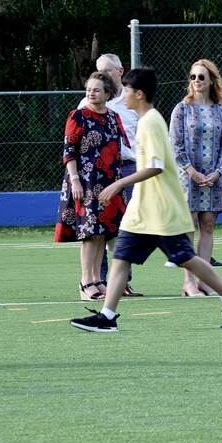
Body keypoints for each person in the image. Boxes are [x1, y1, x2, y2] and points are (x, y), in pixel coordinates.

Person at [69, 68, 222, 333]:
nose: (124, 95)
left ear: (139, 94)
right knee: (121, 258)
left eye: (127, 90)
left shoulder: (151, 122)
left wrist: (117, 185)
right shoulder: (144, 120)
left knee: (185, 257)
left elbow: (155, 166)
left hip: (160, 211)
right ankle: (107, 317)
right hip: (142, 212)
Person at [54, 72, 129, 300]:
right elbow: (69, 151)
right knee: (88, 233)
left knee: (101, 233)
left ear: (108, 94)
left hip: (108, 182)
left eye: (97, 90)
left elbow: (118, 150)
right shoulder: (78, 116)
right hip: (85, 182)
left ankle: (98, 280)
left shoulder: (113, 117)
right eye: (89, 89)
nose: (91, 93)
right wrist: (75, 179)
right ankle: (85, 282)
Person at [78, 53, 143, 297]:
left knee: (127, 227)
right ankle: (96, 281)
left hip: (129, 169)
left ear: (120, 70)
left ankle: (122, 282)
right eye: (99, 70)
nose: (104, 75)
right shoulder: (86, 106)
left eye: (108, 70)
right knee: (99, 228)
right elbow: (74, 145)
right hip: (99, 173)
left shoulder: (132, 100)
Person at [169, 59, 222, 296]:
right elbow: (174, 143)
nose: (196, 81)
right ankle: (188, 282)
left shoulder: (220, 110)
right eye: (193, 77)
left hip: (213, 177)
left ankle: (204, 281)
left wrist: (217, 173)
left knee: (208, 225)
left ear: (211, 81)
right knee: (189, 225)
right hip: (188, 177)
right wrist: (191, 171)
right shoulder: (182, 109)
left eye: (201, 77)